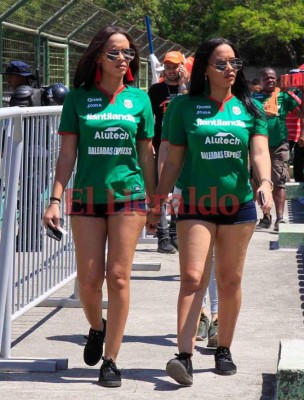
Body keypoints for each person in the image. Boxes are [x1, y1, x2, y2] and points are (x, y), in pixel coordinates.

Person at [148, 37, 272, 385]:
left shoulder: (250, 108)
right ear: (205, 68)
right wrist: (159, 202)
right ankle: (184, 356)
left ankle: (224, 349)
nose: (230, 69)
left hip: (239, 206)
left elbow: (260, 152)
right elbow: (172, 160)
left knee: (230, 281)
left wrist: (264, 183)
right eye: (221, 63)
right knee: (192, 278)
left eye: (234, 62)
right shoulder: (183, 108)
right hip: (195, 204)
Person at [43, 26, 155, 387]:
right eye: (114, 53)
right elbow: (67, 153)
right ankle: (96, 327)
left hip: (130, 198)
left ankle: (111, 358)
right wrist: (55, 198)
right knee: (89, 282)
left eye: (128, 54)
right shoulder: (78, 98)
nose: (123, 59)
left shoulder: (139, 100)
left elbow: (146, 154)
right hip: (87, 199)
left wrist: (156, 202)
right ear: (97, 57)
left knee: (118, 277)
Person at [148, 51, 189, 253]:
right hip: (161, 145)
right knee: (161, 191)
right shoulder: (156, 90)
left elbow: (189, 108)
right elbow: (148, 119)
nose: (172, 71)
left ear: (183, 67)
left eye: (175, 66)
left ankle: (174, 232)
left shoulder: (190, 89)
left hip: (184, 147)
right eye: (168, 67)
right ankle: (162, 235)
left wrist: (183, 84)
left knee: (178, 193)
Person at [253, 67, 304, 231]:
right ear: (261, 80)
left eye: (273, 78)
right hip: (258, 147)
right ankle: (266, 217)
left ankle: (280, 219)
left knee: (279, 181)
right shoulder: (253, 98)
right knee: (259, 182)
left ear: (277, 80)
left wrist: (302, 133)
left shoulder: (284, 97)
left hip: (279, 145)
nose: (270, 80)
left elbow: (300, 114)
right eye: (266, 78)